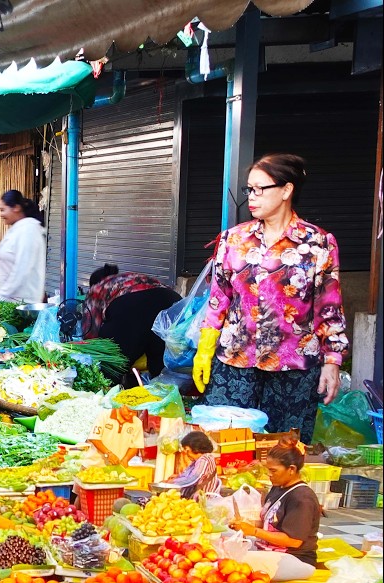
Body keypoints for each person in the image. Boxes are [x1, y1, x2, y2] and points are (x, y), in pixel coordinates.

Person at [194, 154, 348, 441]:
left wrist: (332, 361)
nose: (251, 197)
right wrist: (205, 347)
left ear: (286, 190)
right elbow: (219, 298)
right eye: (248, 189)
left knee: (283, 452)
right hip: (235, 362)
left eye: (259, 189)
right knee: (225, 447)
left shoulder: (318, 243)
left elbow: (329, 307)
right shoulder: (233, 240)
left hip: (294, 368)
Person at [230, 438, 318, 581]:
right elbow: (271, 525)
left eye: (273, 470)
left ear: (291, 469)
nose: (269, 475)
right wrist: (246, 524)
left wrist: (254, 531)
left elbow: (294, 541)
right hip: (270, 550)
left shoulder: (302, 498)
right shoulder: (278, 488)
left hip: (294, 558)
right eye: (267, 470)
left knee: (233, 563)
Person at [83, 264, 182, 381]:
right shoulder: (128, 277)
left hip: (135, 306)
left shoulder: (97, 288)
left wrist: (91, 351)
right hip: (173, 303)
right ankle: (169, 393)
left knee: (111, 366)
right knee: (161, 363)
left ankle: (105, 394)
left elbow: (91, 326)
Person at [0, 189, 46, 304]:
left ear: (16, 208)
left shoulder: (29, 230)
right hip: (10, 300)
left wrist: (2, 294)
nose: (1, 214)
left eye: (3, 210)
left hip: (22, 303)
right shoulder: (18, 230)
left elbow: (22, 269)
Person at [164, 431, 219, 499]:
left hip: (204, 500)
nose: (186, 454)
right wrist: (178, 477)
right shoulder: (197, 460)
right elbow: (188, 475)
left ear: (196, 447)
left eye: (187, 450)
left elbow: (192, 479)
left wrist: (171, 483)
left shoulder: (205, 459)